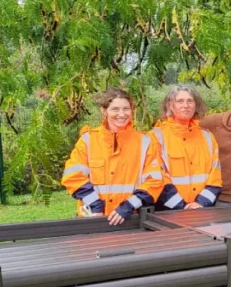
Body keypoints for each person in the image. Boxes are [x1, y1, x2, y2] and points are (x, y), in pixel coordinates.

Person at [61, 88, 164, 225]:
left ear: (132, 110)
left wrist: (128, 206)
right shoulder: (88, 140)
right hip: (92, 218)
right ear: (104, 111)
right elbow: (72, 177)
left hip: (130, 219)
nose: (122, 114)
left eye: (126, 109)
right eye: (115, 109)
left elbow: (154, 182)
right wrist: (95, 205)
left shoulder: (145, 142)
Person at [151, 85, 224, 210]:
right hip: (168, 211)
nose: (186, 105)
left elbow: (215, 176)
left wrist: (201, 203)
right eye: (180, 101)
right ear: (170, 105)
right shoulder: (156, 137)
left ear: (196, 105)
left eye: (190, 101)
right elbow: (157, 177)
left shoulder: (207, 137)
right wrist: (182, 207)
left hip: (202, 210)